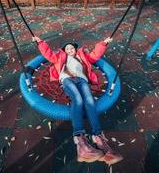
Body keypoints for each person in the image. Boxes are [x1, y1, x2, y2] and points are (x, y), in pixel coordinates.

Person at [32, 36, 123, 164]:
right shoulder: (59, 58)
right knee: (78, 100)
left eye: (72, 48)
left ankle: (99, 139)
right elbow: (48, 53)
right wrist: (40, 42)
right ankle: (80, 143)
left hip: (82, 80)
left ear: (75, 50)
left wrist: (103, 43)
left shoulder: (83, 57)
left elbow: (95, 55)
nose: (70, 49)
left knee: (90, 101)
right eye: (67, 48)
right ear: (64, 51)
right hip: (67, 79)